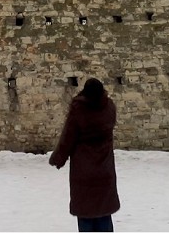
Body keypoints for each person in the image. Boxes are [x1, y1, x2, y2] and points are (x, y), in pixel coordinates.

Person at [49, 78, 120, 232]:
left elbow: (68, 136)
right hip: (104, 168)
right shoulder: (109, 108)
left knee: (86, 214)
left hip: (84, 170)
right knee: (104, 212)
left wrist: (58, 158)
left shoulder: (79, 109)